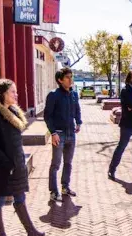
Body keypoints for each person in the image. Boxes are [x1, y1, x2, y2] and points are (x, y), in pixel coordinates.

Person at [0, 79, 45, 236]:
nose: (16, 94)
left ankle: (31, 231)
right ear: (2, 94)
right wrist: (7, 164)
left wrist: (18, 162)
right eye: (12, 92)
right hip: (0, 167)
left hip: (16, 164)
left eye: (16, 91)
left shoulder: (12, 111)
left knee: (20, 196)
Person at [44, 67, 82, 202]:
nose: (70, 79)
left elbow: (77, 109)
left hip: (71, 134)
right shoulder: (53, 95)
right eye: (67, 77)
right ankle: (54, 192)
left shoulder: (73, 94)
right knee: (55, 164)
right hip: (59, 135)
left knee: (68, 163)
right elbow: (47, 116)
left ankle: (65, 187)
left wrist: (78, 122)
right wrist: (53, 133)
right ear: (60, 80)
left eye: (71, 76)